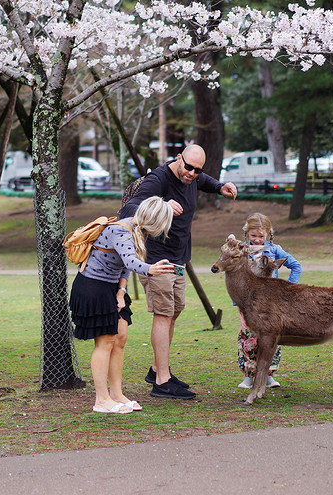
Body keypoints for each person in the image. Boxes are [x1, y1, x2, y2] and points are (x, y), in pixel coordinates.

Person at [117, 143, 237, 400]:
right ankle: (162, 381)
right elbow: (128, 210)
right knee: (163, 313)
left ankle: (157, 369)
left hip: (179, 257)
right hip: (156, 259)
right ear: (178, 158)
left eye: (197, 169)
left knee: (175, 311)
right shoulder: (158, 179)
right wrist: (161, 205)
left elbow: (203, 180)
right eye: (188, 167)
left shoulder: (193, 175)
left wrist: (219, 186)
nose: (192, 174)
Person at [69, 197, 178, 414]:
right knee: (105, 341)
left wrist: (121, 292)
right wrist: (150, 269)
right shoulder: (122, 230)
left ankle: (116, 394)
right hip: (93, 287)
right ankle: (101, 400)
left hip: (111, 288)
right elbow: (130, 261)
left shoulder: (139, 231)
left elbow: (124, 267)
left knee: (120, 338)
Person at [236, 212, 302, 389]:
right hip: (249, 303)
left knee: (272, 338)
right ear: (247, 234)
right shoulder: (242, 251)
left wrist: (288, 289)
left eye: (261, 236)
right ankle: (249, 377)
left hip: (271, 304)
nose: (257, 240)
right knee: (249, 338)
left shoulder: (275, 250)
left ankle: (269, 375)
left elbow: (296, 266)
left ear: (268, 234)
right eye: (253, 236)